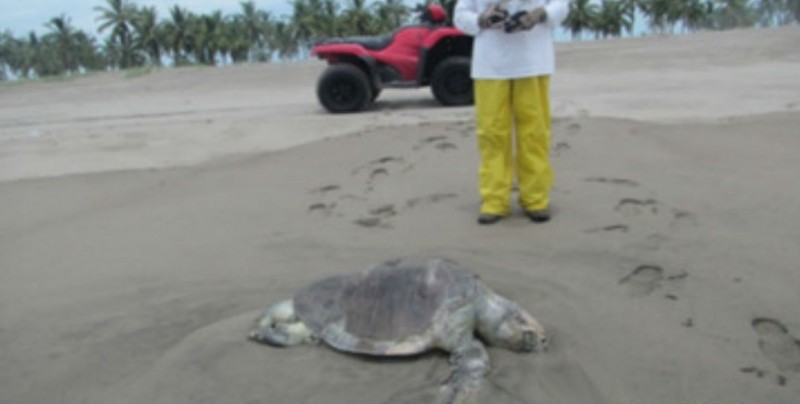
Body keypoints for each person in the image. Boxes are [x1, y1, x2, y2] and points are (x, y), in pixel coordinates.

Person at [454, 0, 568, 224]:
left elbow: (561, 5)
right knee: (491, 134)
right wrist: (482, 19)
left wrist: (539, 14)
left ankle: (535, 199)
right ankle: (494, 201)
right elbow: (460, 15)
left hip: (533, 62)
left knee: (534, 133)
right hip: (490, 65)